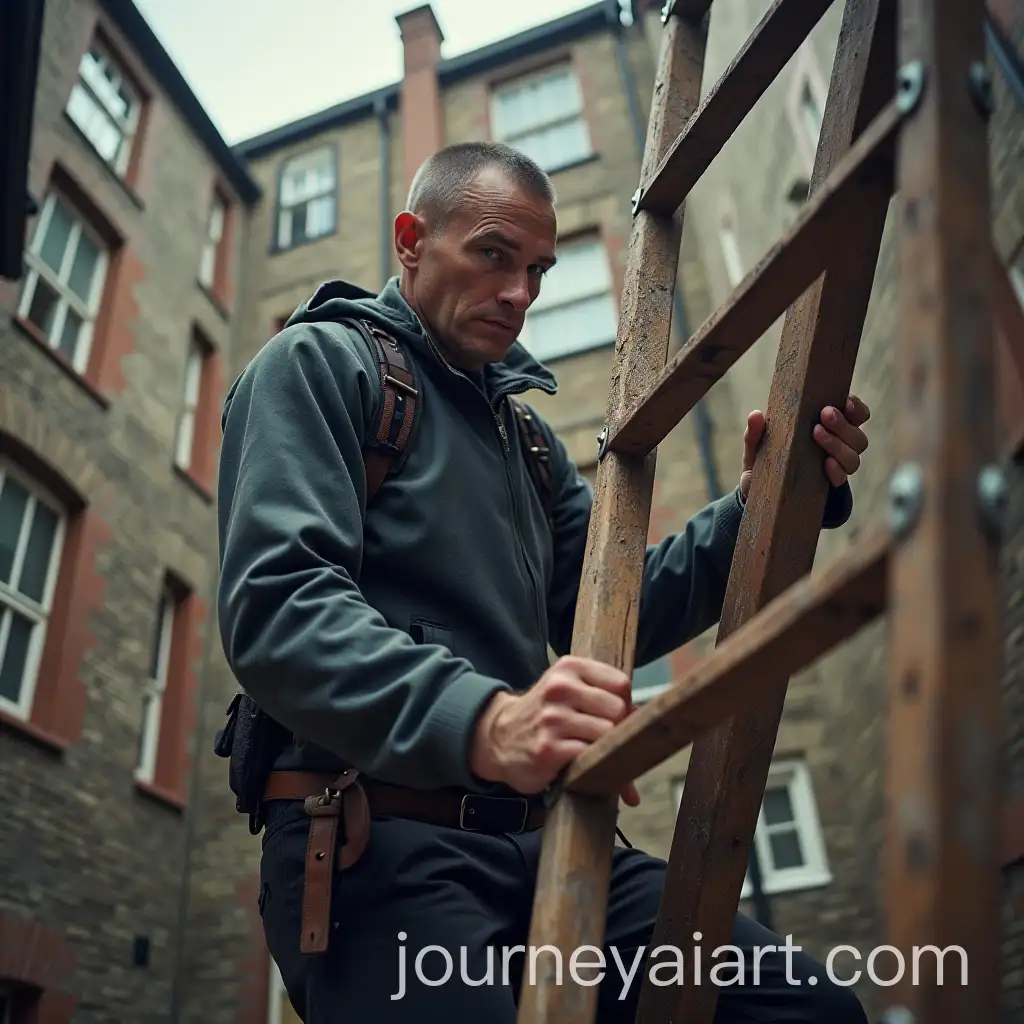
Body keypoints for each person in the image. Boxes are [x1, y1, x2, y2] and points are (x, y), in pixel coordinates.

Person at [216, 140, 871, 1024]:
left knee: (806, 1011)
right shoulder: (319, 368)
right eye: (493, 254)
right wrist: (490, 720)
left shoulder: (524, 442)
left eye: (537, 269)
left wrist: (765, 502)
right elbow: (279, 607)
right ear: (412, 239)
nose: (521, 293)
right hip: (381, 849)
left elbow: (618, 610)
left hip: (550, 840)